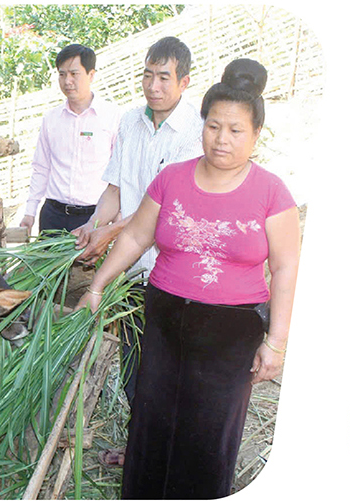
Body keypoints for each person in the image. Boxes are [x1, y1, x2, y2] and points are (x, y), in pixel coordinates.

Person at [79, 59, 298, 499]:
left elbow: (286, 268)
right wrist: (97, 285)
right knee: (152, 414)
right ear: (202, 126)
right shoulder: (172, 179)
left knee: (211, 426)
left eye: (236, 130)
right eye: (214, 126)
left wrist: (275, 342)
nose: (223, 139)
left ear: (256, 135)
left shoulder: (272, 192)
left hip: (232, 329)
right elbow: (137, 236)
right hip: (163, 317)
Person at [72, 36, 202, 429]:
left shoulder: (194, 132)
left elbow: (159, 208)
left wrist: (110, 232)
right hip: (130, 274)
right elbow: (115, 187)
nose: (153, 86)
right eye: (147, 75)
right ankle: (139, 441)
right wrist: (93, 225)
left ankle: (161, 445)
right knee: (133, 363)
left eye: (164, 77)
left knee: (167, 367)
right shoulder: (130, 121)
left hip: (171, 273)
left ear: (185, 82)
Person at [19, 43, 120, 234]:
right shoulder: (51, 119)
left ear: (91, 75)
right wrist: (30, 212)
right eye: (62, 74)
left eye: (74, 74)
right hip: (53, 216)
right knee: (48, 265)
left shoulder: (112, 117)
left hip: (93, 218)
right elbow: (41, 167)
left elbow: (119, 175)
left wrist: (115, 219)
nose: (67, 81)